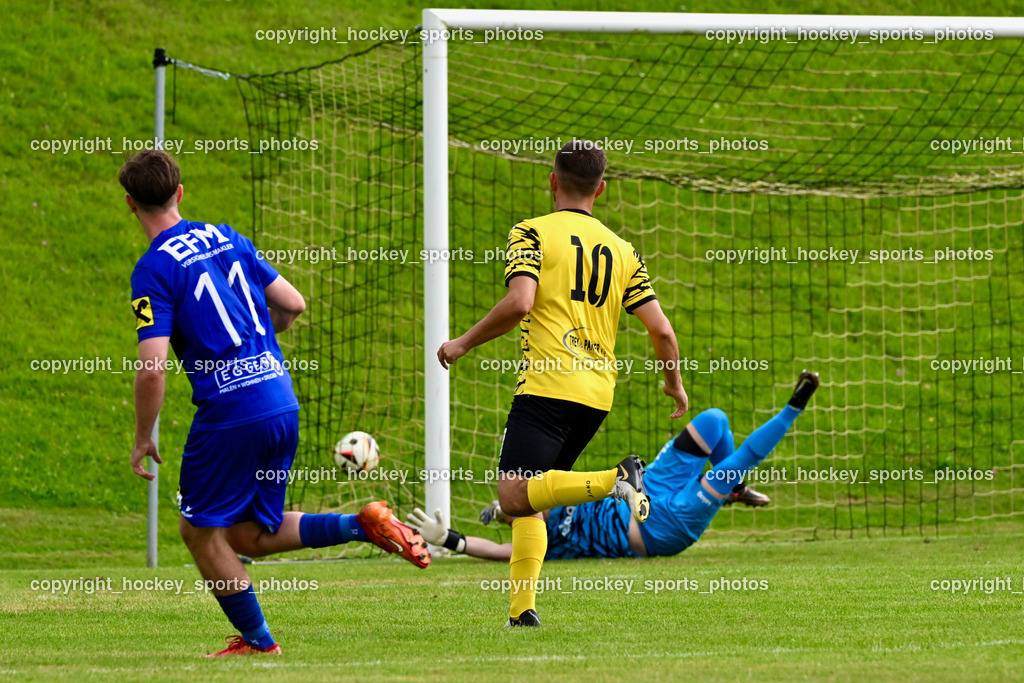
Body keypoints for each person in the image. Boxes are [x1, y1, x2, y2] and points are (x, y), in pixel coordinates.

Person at [123, 150, 429, 657]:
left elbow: (152, 365)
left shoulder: (152, 270)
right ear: (180, 193)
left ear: (130, 204)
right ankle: (364, 524)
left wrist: (141, 437)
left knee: (198, 532)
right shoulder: (227, 236)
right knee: (247, 534)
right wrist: (265, 337)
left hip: (230, 414)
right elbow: (293, 304)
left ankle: (259, 643)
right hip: (280, 400)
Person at [437, 140, 689, 626]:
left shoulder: (531, 233)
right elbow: (662, 330)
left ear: (552, 181)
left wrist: (462, 343)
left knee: (513, 498)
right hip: (596, 393)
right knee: (534, 500)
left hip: (548, 385)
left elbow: (520, 303)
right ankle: (521, 610)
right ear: (602, 188)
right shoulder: (622, 251)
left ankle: (615, 480)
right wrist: (673, 384)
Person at [410, 372, 818, 564]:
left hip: (649, 483)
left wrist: (500, 511)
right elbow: (500, 551)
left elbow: (524, 499)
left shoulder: (555, 489)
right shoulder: (542, 538)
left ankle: (735, 489)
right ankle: (794, 407)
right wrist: (449, 539)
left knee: (714, 421)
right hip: (659, 528)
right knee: (730, 465)